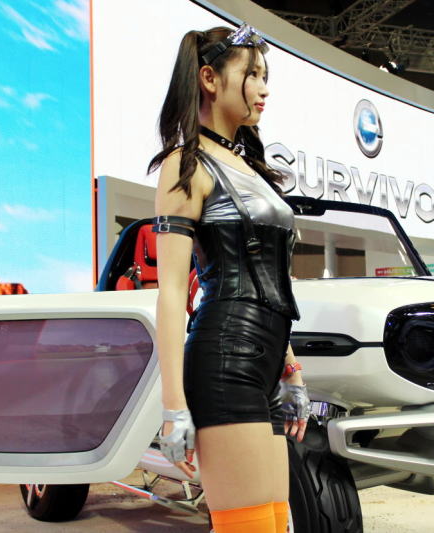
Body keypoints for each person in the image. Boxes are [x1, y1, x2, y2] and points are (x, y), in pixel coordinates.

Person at [146, 24, 310, 533]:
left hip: (264, 366)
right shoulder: (186, 166)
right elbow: (173, 292)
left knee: (275, 524)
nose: (264, 89)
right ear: (210, 79)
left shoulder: (250, 168)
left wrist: (290, 369)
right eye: (252, 74)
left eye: (265, 77)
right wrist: (173, 407)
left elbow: (274, 285)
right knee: (249, 527)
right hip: (224, 363)